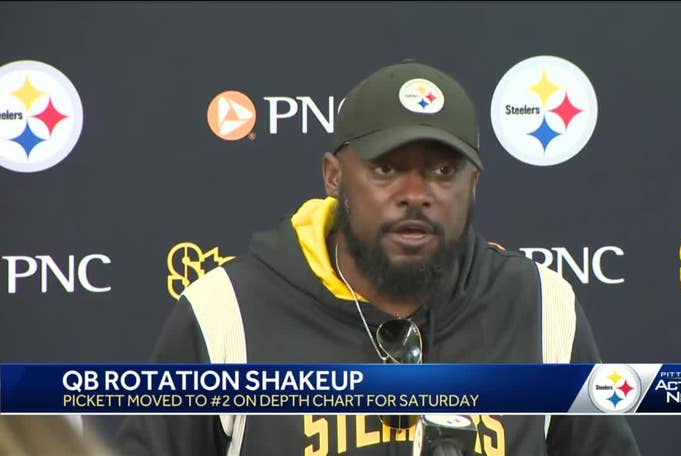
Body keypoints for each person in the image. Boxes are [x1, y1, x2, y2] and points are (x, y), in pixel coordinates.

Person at [117, 61, 641, 455]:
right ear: (333, 176)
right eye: (387, 170)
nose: (416, 193)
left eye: (442, 172)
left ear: (473, 185)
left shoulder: (540, 306)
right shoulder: (226, 313)